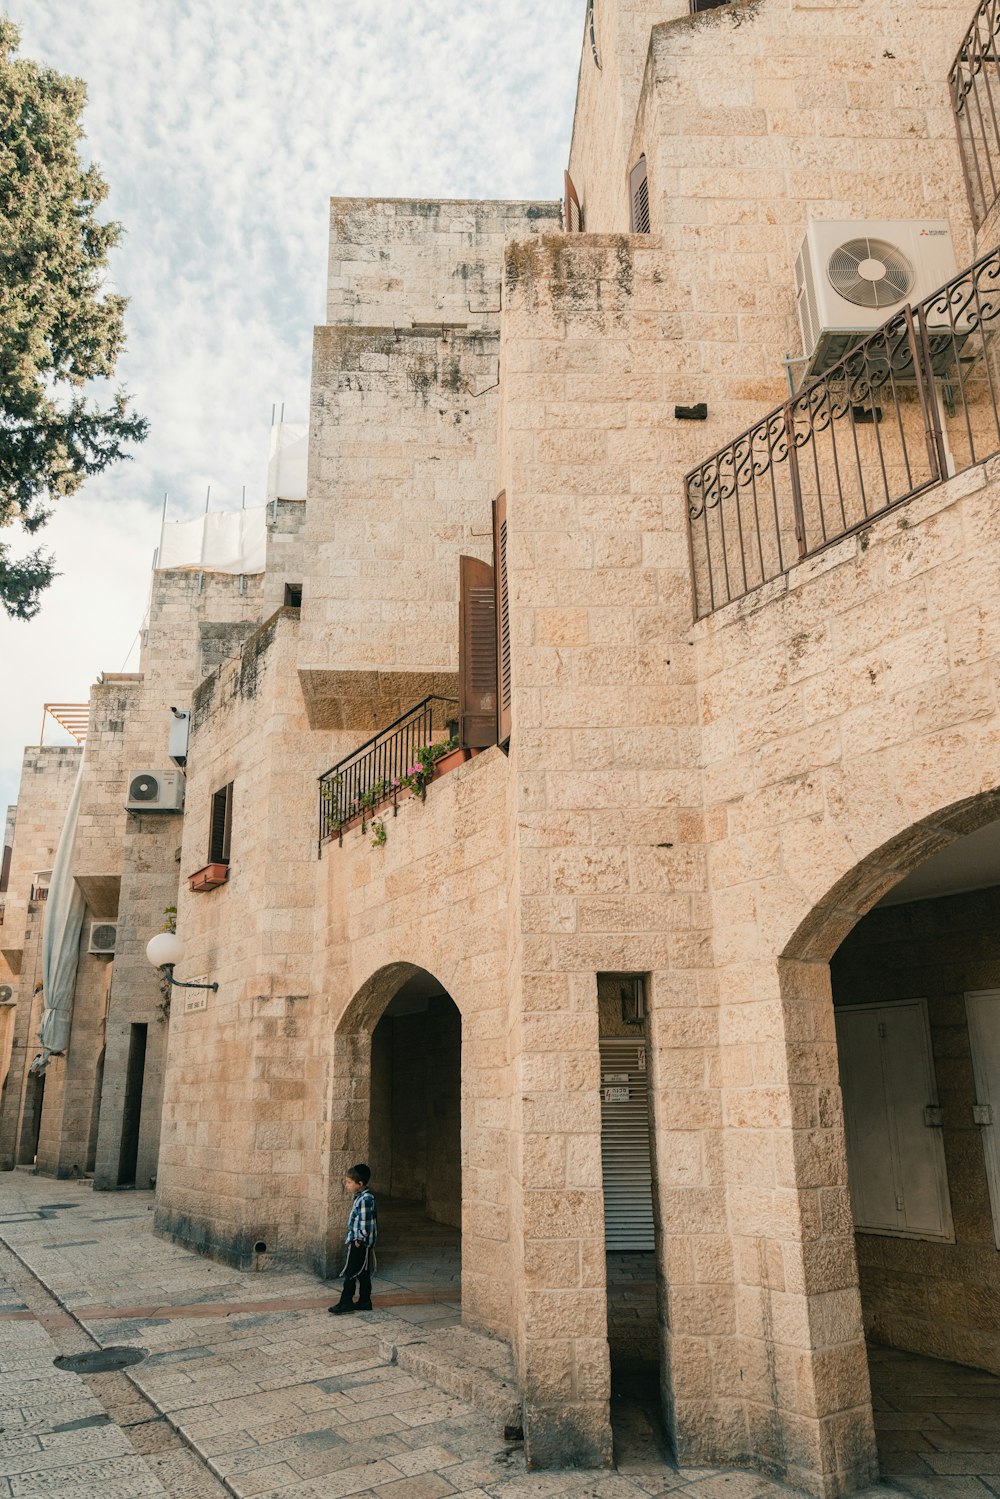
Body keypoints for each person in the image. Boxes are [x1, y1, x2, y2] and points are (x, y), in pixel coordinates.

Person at [328, 1163, 377, 1315]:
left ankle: (346, 1302)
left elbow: (364, 1221)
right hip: (360, 1241)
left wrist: (359, 1239)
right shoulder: (361, 1197)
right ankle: (364, 1301)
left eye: (349, 1182)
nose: (346, 1185)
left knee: (351, 1272)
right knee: (363, 1271)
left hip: (359, 1242)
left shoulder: (365, 1199)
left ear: (360, 1184)